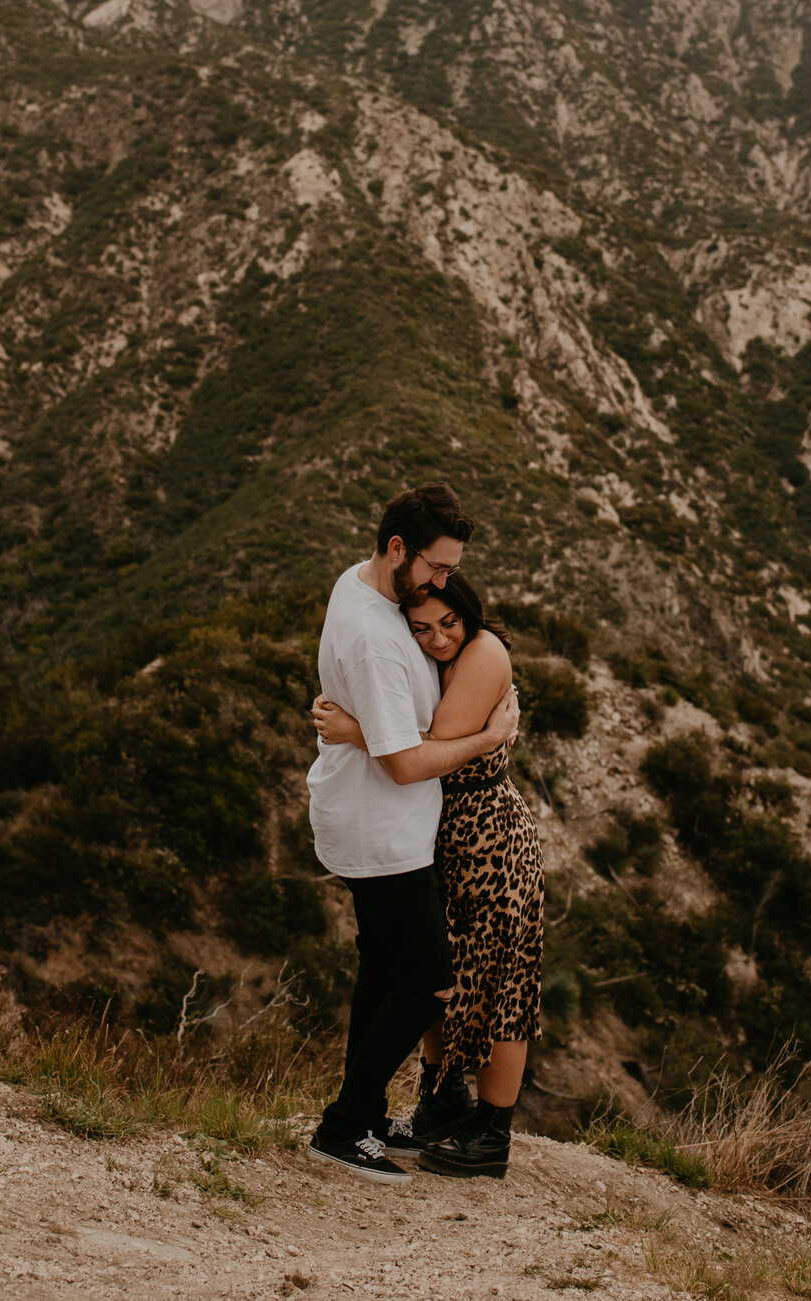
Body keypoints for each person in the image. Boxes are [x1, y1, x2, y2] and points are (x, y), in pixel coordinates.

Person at [306, 482, 520, 1183]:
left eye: (450, 570)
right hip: (383, 829)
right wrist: (488, 738)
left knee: (381, 970)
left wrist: (360, 729)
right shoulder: (374, 633)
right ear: (397, 548)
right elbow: (403, 763)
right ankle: (341, 1127)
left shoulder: (361, 585)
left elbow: (389, 732)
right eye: (436, 566)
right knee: (430, 981)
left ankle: (363, 1115)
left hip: (371, 817)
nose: (443, 581)